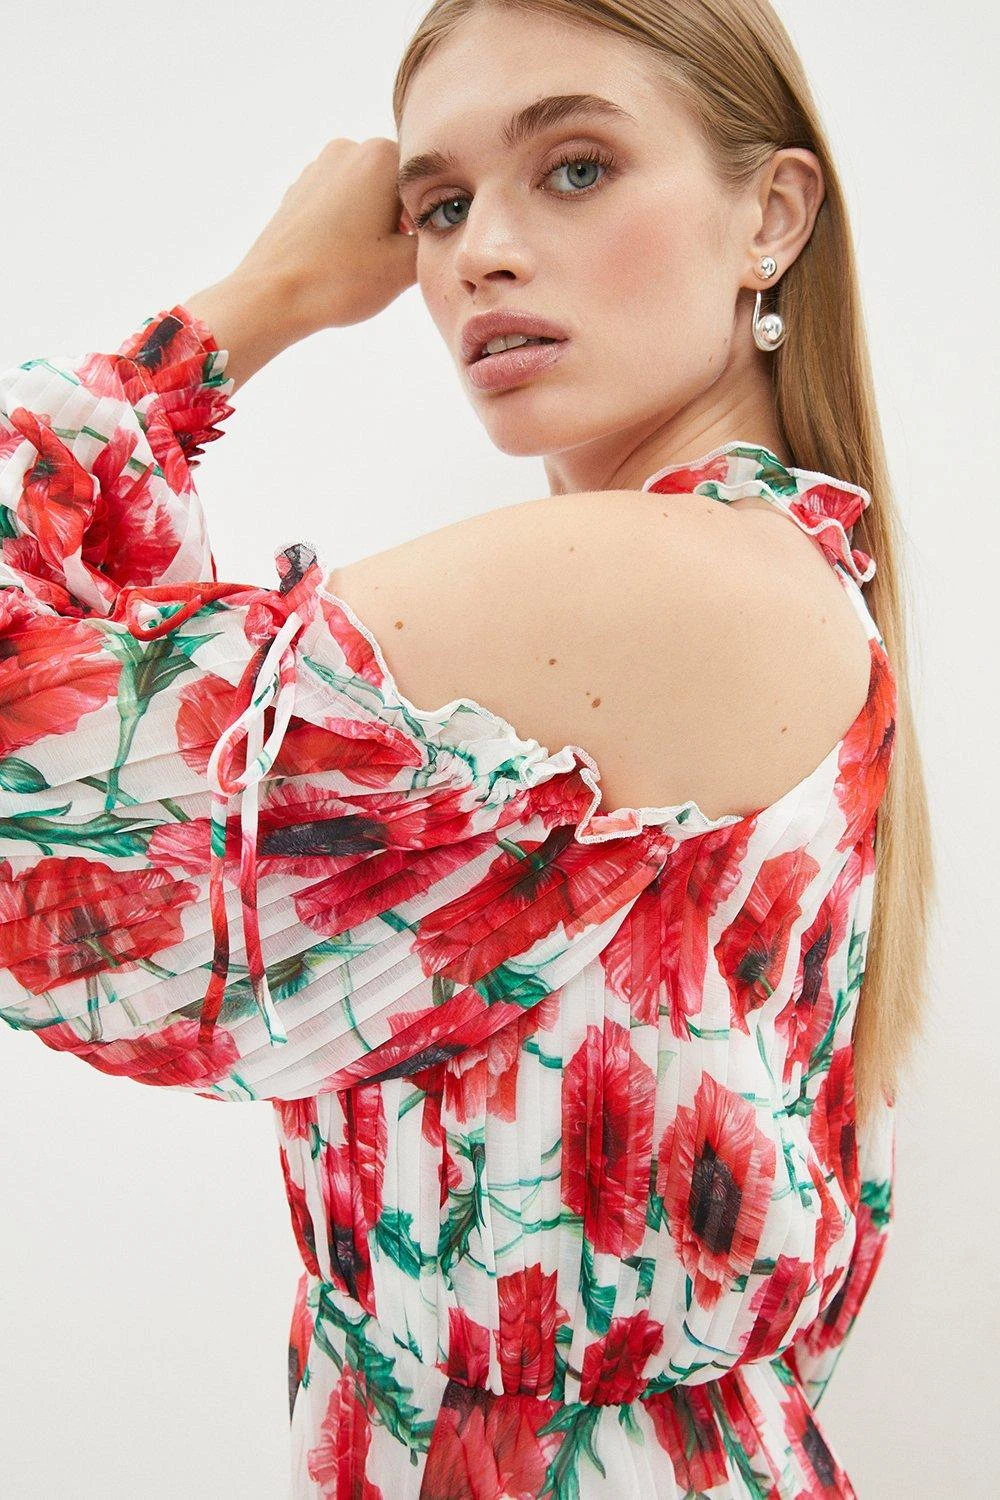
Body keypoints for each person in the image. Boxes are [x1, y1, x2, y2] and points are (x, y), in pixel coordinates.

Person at [0, 0, 934, 1494]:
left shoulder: (667, 580)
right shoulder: (743, 573)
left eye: (575, 168)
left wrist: (265, 296)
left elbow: (49, 742)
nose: (480, 252)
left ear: (770, 216)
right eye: (438, 204)